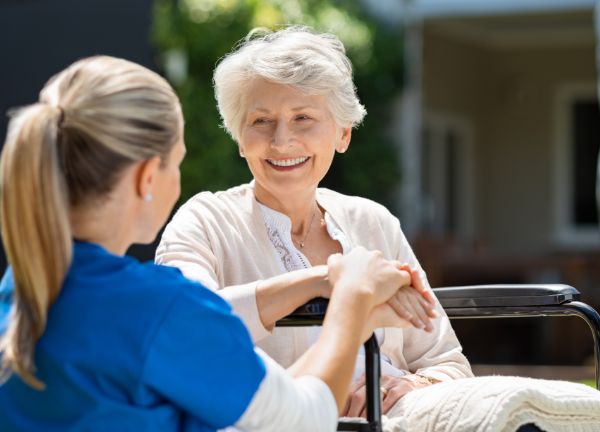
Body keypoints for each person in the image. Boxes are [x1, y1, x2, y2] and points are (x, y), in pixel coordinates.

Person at [0, 55, 433, 431]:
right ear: (148, 178)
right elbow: (304, 421)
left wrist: (318, 279)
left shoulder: (22, 286)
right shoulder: (158, 308)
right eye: (178, 164)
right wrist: (352, 299)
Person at [155, 26, 473, 417]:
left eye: (303, 118)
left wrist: (409, 385)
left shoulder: (373, 222)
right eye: (260, 121)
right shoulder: (204, 221)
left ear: (343, 133)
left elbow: (448, 363)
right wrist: (327, 280)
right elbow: (187, 327)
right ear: (240, 138)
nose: (282, 141)